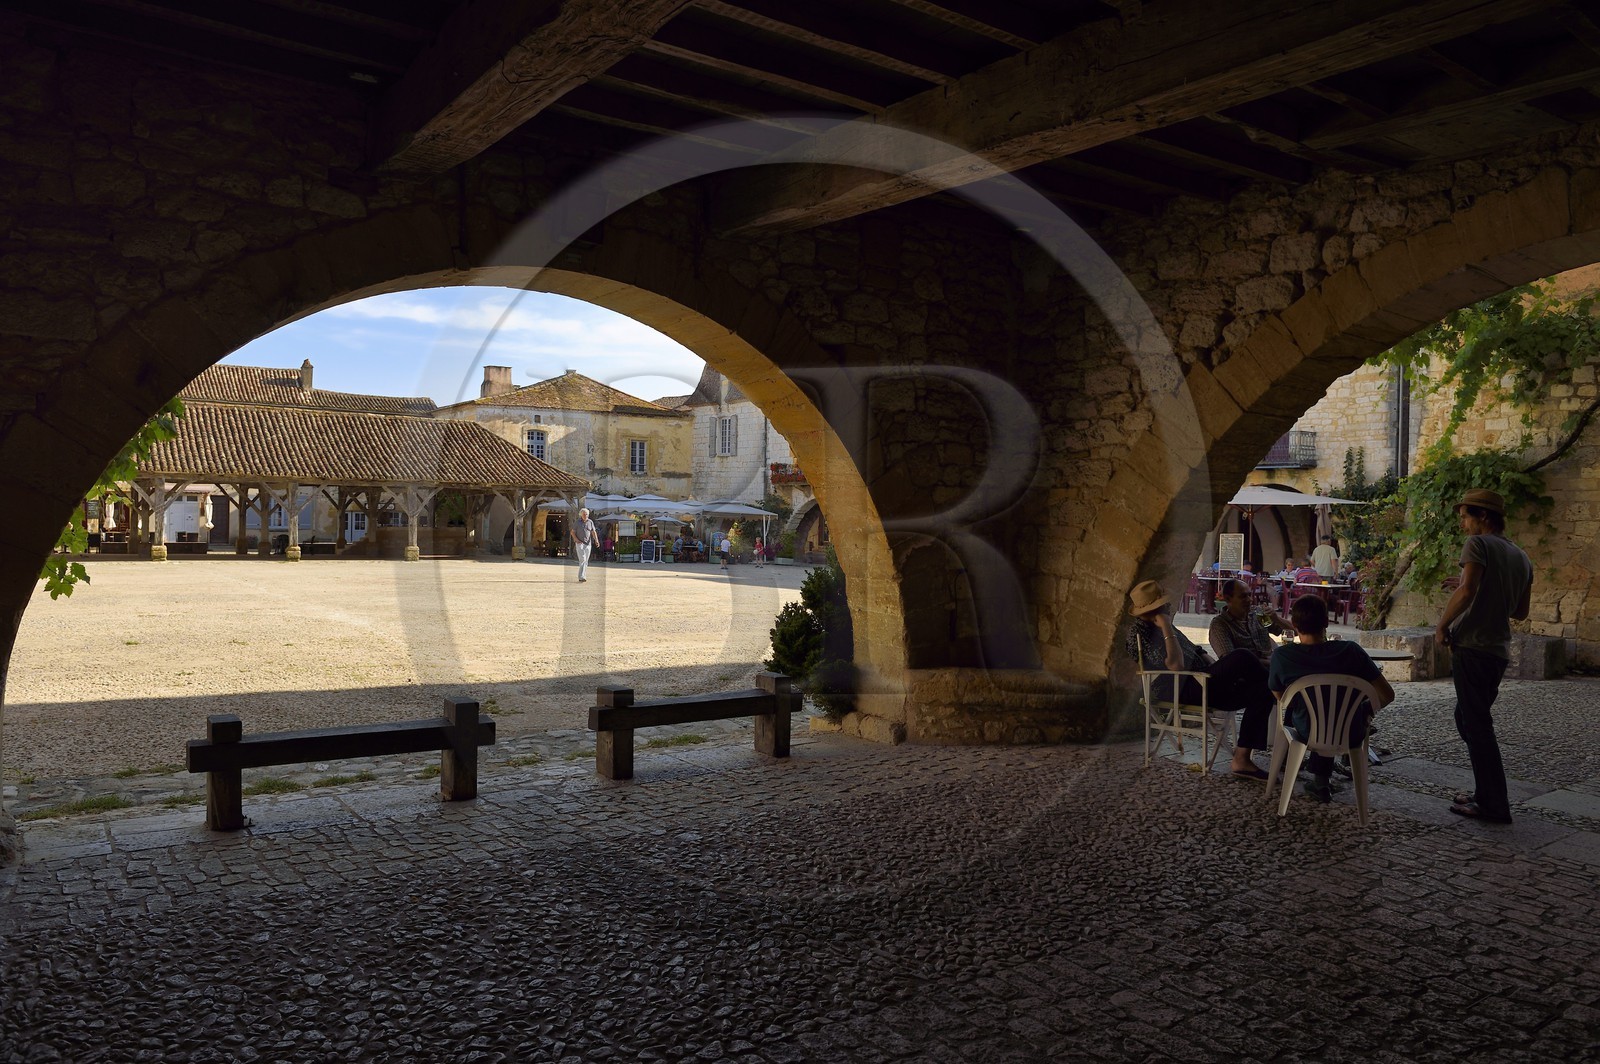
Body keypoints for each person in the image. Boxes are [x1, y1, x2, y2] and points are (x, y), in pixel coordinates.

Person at [1435, 488, 1533, 824]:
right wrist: (1471, 583)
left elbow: (1468, 591)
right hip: (1497, 651)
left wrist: (1442, 625)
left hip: (1473, 646)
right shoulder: (1521, 557)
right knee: (1468, 719)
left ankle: (1493, 804)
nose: (1462, 523)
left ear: (1484, 517)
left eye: (1465, 516)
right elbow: (1520, 611)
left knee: (1477, 726)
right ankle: (1485, 791)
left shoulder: (1477, 545)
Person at [1125, 579, 1277, 780]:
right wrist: (1166, 627)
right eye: (1162, 604)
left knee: (1263, 691)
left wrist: (1219, 669)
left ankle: (1242, 759)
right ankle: (1282, 691)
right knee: (1242, 656)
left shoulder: (1165, 624)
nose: (1168, 606)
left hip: (1202, 680)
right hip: (1181, 688)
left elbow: (1197, 650)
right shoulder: (1139, 633)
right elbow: (1176, 666)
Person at [1268, 595, 1395, 803]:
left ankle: (1318, 781)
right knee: (1336, 710)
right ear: (1326, 623)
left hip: (1307, 730)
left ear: (1294, 624)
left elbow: (1281, 697)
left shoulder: (1283, 656)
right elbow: (1387, 694)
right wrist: (1365, 713)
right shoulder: (1351, 651)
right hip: (1350, 730)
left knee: (1314, 710)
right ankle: (1321, 782)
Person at [1209, 578, 1292, 669]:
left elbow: (1293, 632)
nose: (1249, 599)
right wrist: (1273, 663)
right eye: (1243, 596)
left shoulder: (1258, 613)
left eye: (1249, 595)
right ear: (1228, 599)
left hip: (1273, 668)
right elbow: (1231, 662)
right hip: (1248, 676)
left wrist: (1276, 619)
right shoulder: (1220, 625)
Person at [570, 506, 597, 582]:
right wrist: (576, 539)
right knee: (583, 559)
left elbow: (593, 532)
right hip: (580, 543)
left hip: (588, 544)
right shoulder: (577, 522)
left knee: (586, 561)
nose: (586, 516)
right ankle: (581, 576)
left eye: (587, 514)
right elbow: (572, 532)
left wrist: (596, 540)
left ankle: (583, 576)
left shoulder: (590, 522)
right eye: (584, 514)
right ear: (581, 515)